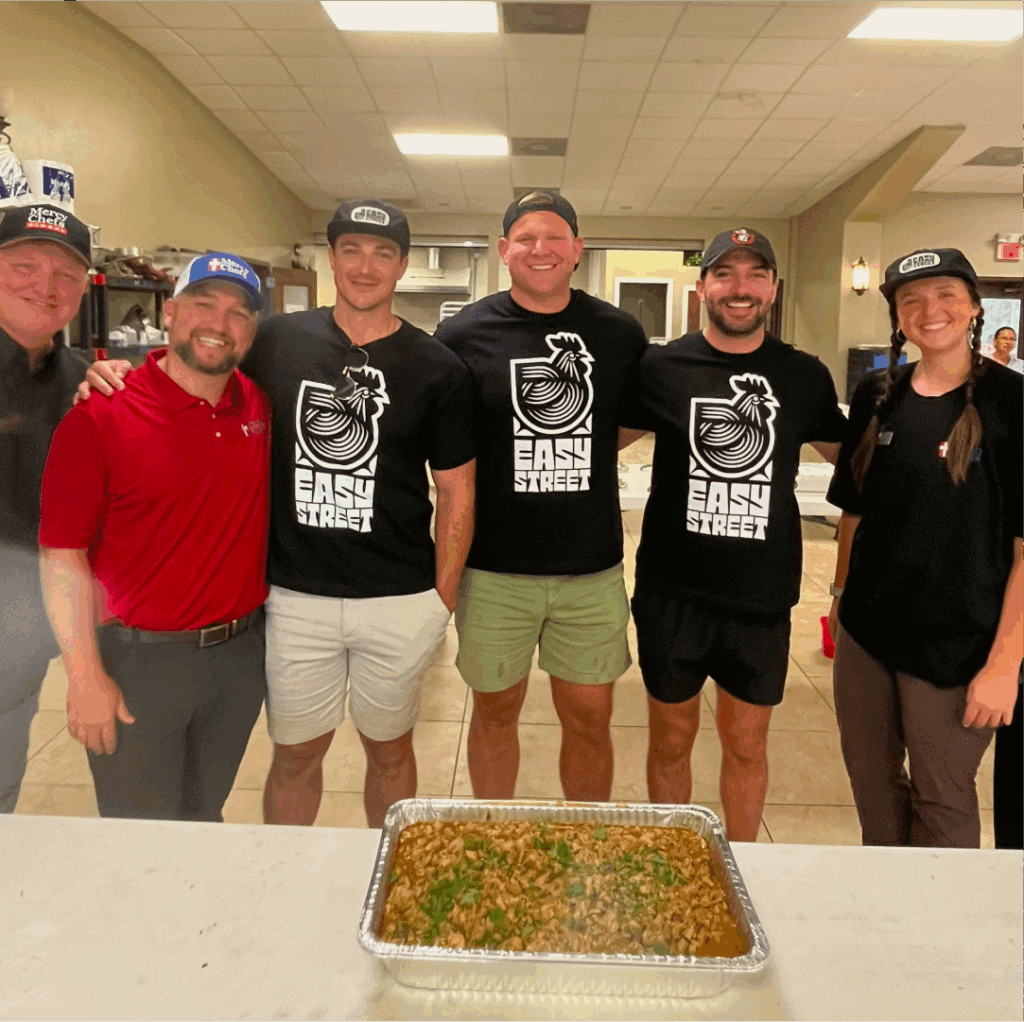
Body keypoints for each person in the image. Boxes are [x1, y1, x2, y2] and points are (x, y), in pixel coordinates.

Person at [84, 201, 475, 828]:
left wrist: (443, 599)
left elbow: (456, 491)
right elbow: (192, 374)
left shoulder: (439, 368)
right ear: (331, 258)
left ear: (401, 265)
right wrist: (108, 374)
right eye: (351, 249)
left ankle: (393, 871)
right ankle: (285, 885)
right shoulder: (275, 342)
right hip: (293, 597)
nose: (365, 266)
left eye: (382, 252)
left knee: (392, 751)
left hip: (400, 598)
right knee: (296, 755)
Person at [619, 228, 847, 841]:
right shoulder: (661, 367)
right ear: (702, 289)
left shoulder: (804, 376)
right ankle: (673, 862)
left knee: (746, 745)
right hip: (673, 591)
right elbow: (589, 445)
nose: (739, 288)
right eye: (724, 274)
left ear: (773, 287)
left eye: (754, 274)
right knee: (671, 741)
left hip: (760, 598)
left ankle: (745, 866)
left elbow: (861, 468)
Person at [39, 253, 271, 821]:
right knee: (137, 834)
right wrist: (84, 675)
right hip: (139, 663)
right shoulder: (101, 415)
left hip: (238, 661)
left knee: (204, 816)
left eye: (239, 312)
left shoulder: (257, 406)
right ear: (169, 313)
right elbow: (61, 556)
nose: (220, 322)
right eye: (203, 303)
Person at [434, 191, 647, 802]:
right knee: (495, 713)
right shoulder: (462, 333)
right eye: (525, 238)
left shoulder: (618, 332)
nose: (540, 249)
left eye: (555, 237)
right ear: (504, 251)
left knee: (589, 718)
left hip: (590, 569)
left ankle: (585, 842)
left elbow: (627, 419)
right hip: (495, 568)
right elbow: (448, 440)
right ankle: (495, 838)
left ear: (578, 249)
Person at [826, 248, 1022, 848]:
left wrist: (1005, 664)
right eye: (910, 299)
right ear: (896, 315)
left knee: (942, 797)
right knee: (874, 791)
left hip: (958, 643)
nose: (928, 310)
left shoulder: (1011, 402)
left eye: (945, 295)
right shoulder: (877, 393)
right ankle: (886, 928)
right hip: (868, 633)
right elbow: (855, 511)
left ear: (973, 307)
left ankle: (944, 936)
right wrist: (838, 598)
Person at [0, 203, 91, 813]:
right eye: (23, 266)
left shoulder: (80, 383)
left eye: (65, 274)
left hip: (22, 634)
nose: (45, 286)